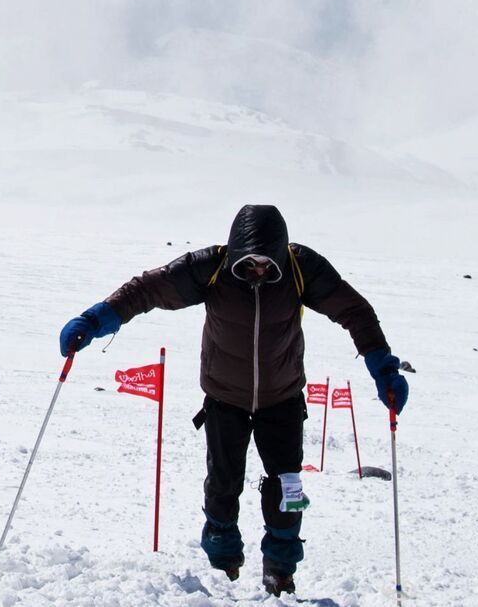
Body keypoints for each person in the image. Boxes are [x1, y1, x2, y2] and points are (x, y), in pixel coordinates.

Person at [56, 204, 406, 596]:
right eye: (249, 264)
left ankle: (281, 569)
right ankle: (223, 566)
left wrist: (383, 367)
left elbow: (354, 311)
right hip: (224, 397)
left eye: (266, 266)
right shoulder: (213, 267)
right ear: (236, 254)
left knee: (288, 488)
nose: (257, 272)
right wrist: (96, 319)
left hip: (283, 398)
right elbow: (148, 289)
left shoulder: (300, 267)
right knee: (222, 486)